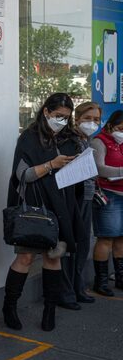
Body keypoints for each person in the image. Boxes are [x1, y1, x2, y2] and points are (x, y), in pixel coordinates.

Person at [3, 93, 85, 332]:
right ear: (46, 112)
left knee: (53, 256)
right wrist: (51, 165)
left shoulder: (71, 139)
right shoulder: (28, 138)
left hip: (62, 207)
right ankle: (9, 306)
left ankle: (50, 309)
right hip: (35, 208)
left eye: (66, 117)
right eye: (58, 116)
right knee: (26, 257)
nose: (61, 121)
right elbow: (23, 175)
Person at [67, 102, 101, 304]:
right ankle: (71, 289)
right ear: (77, 118)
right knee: (76, 243)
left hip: (87, 194)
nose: (92, 123)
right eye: (88, 118)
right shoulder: (71, 139)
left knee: (84, 243)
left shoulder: (87, 139)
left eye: (96, 119)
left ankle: (77, 287)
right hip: (75, 196)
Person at [90, 108, 123, 296]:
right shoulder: (99, 142)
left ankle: (120, 277)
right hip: (109, 195)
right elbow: (99, 168)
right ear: (110, 126)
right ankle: (101, 282)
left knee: (121, 238)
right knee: (106, 238)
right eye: (120, 128)